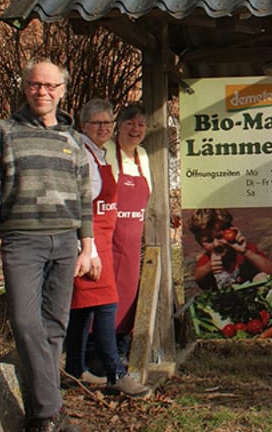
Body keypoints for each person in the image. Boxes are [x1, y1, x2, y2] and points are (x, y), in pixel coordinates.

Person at [0, 59, 93, 431]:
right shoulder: (2, 133)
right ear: (25, 87)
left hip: (65, 243)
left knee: (55, 326)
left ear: (62, 91)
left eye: (50, 86)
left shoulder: (73, 141)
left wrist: (87, 248)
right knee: (26, 323)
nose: (42, 92)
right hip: (22, 241)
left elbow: (84, 199)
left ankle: (40, 417)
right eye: (34, 85)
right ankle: (52, 411)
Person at [65, 98, 149, 398]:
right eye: (96, 123)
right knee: (105, 306)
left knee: (83, 310)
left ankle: (74, 369)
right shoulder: (81, 156)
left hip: (101, 238)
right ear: (83, 125)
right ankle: (115, 373)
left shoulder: (97, 154)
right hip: (92, 243)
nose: (102, 128)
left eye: (106, 122)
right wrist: (90, 250)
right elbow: (77, 206)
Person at [104, 103, 152, 360]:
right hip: (106, 245)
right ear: (118, 126)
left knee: (128, 300)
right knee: (102, 301)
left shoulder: (143, 157)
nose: (135, 129)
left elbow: (149, 199)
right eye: (130, 124)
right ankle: (97, 355)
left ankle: (120, 353)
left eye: (141, 125)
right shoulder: (107, 152)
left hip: (132, 248)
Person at [191, 209, 272, 291]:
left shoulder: (242, 249)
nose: (216, 244)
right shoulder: (207, 259)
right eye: (209, 241)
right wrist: (209, 266)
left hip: (254, 294)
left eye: (220, 237)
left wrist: (245, 252)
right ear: (200, 243)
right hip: (227, 302)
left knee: (262, 277)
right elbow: (197, 277)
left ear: (231, 231)